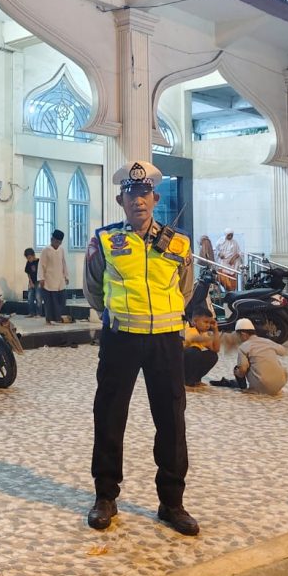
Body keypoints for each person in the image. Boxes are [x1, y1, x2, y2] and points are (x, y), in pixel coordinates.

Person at [84, 160, 199, 537]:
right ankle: (105, 496)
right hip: (122, 338)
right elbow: (93, 291)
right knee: (110, 414)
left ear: (155, 197)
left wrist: (166, 317)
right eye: (131, 194)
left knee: (171, 420)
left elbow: (185, 290)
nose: (139, 200)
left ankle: (172, 502)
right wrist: (118, 312)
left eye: (145, 193)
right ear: (121, 199)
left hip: (166, 339)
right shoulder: (104, 240)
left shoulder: (179, 242)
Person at [211, 320, 288, 395]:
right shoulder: (267, 341)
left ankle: (248, 388)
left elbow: (242, 369)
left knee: (237, 368)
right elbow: (283, 351)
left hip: (262, 386)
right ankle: (274, 386)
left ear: (243, 334)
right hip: (280, 384)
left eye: (238, 335)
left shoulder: (243, 347)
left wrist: (237, 373)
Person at [39, 229, 69, 325]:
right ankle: (49, 318)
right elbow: (41, 265)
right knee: (50, 301)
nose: (57, 244)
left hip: (60, 279)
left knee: (61, 300)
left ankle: (58, 318)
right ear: (52, 239)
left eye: (59, 242)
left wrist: (66, 276)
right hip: (49, 280)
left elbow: (63, 263)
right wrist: (41, 278)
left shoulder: (61, 250)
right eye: (56, 241)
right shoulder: (45, 250)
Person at [183, 315, 220, 387]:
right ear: (195, 321)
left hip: (187, 359)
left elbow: (216, 349)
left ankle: (195, 380)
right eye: (205, 322)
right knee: (195, 352)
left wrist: (215, 330)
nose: (208, 326)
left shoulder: (202, 332)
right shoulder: (190, 330)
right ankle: (186, 380)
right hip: (177, 363)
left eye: (209, 323)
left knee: (212, 356)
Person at [23, 248, 41, 317]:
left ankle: (38, 313)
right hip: (31, 281)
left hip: (38, 282)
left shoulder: (39, 262)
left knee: (38, 298)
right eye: (27, 258)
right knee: (30, 298)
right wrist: (30, 282)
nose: (29, 260)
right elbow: (28, 273)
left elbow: (42, 272)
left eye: (30, 258)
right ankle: (31, 313)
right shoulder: (28, 263)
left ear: (34, 255)